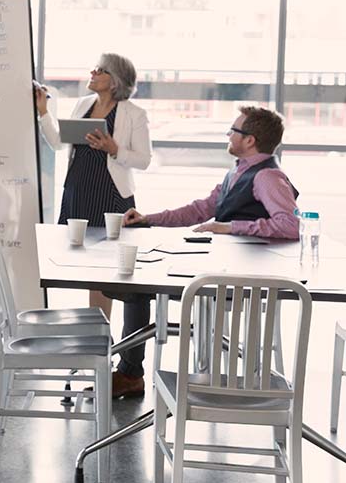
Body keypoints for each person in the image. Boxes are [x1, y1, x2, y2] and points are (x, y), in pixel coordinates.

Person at [114, 106, 300, 397]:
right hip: (222, 272)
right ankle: (129, 371)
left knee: (137, 287)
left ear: (249, 140)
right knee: (139, 283)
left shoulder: (267, 178)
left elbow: (290, 225)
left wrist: (231, 227)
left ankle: (129, 374)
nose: (228, 134)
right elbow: (200, 210)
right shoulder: (239, 171)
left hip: (237, 282)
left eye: (233, 130)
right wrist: (150, 218)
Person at [36, 53, 151, 342]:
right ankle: (97, 334)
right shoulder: (83, 104)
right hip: (78, 190)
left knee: (107, 268)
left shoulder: (134, 114)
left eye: (99, 70)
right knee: (87, 265)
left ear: (114, 81)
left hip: (111, 195)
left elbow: (144, 160)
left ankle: (101, 338)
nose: (93, 72)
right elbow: (58, 142)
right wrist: (42, 112)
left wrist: (114, 148)